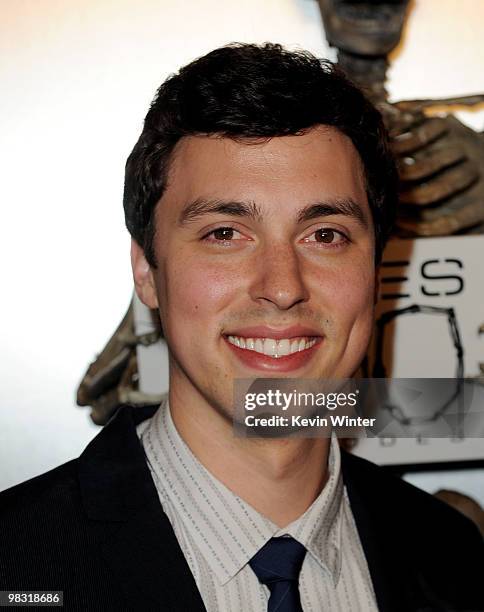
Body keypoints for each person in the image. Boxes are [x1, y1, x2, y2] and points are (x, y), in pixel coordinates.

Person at [0, 43, 482, 612]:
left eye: (325, 234)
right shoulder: (17, 564)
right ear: (146, 270)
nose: (282, 286)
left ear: (377, 269)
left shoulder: (456, 560)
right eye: (225, 233)